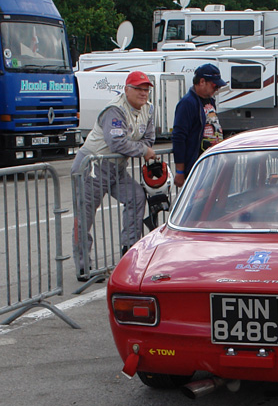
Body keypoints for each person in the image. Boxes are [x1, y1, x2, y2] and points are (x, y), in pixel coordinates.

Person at [72, 70, 156, 279]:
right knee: (85, 216)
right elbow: (117, 142)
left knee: (136, 196)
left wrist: (140, 148)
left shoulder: (149, 109)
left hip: (117, 167)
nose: (143, 93)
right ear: (127, 89)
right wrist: (143, 151)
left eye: (146, 89)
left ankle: (129, 252)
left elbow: (150, 139)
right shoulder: (115, 110)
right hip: (92, 165)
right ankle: (84, 267)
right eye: (138, 89)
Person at [172, 62, 227, 188]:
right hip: (198, 165)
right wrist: (180, 171)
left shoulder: (210, 100)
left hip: (212, 162)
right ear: (202, 82)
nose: (217, 89)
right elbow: (179, 136)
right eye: (214, 85)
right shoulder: (187, 103)